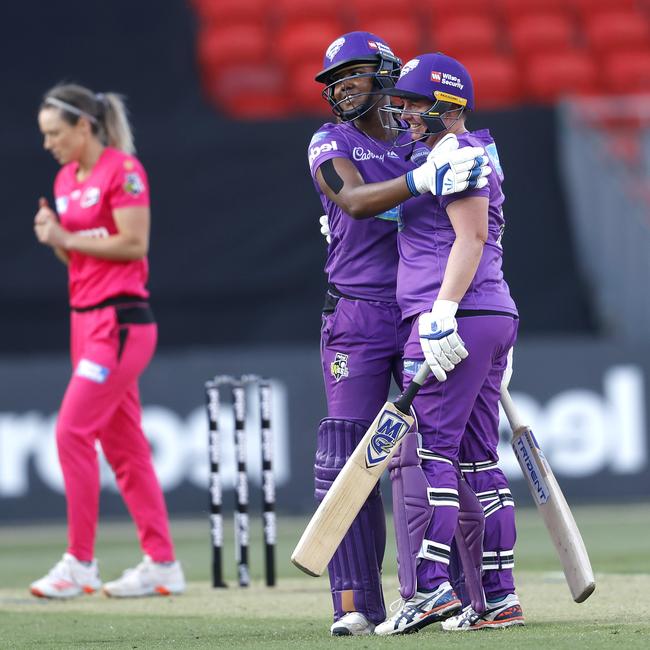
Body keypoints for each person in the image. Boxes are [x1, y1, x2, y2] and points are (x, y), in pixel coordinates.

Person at [309, 32, 490, 635]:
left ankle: (460, 593)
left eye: (354, 75)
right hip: (358, 315)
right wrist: (420, 182)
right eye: (335, 81)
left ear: (388, 76)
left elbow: (478, 228)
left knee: (436, 449)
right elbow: (357, 202)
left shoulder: (427, 138)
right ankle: (357, 601)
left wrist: (480, 315)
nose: (341, 89)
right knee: (348, 451)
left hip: (427, 308)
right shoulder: (330, 141)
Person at [370, 53, 524, 634]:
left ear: (447, 106)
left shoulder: (458, 154)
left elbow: (473, 235)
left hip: (453, 314)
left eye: (412, 103)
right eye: (402, 102)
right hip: (488, 313)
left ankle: (432, 590)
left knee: (434, 453)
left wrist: (442, 313)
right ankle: (498, 597)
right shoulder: (455, 153)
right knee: (481, 459)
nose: (404, 112)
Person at [30, 84, 185, 599]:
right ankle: (163, 564)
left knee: (71, 432)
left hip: (119, 324)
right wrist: (57, 238)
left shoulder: (123, 171)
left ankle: (80, 564)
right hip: (84, 321)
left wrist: (67, 237)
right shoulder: (63, 179)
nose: (49, 143)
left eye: (56, 133)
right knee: (124, 446)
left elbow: (134, 243)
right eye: (44, 135)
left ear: (83, 126)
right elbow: (80, 259)